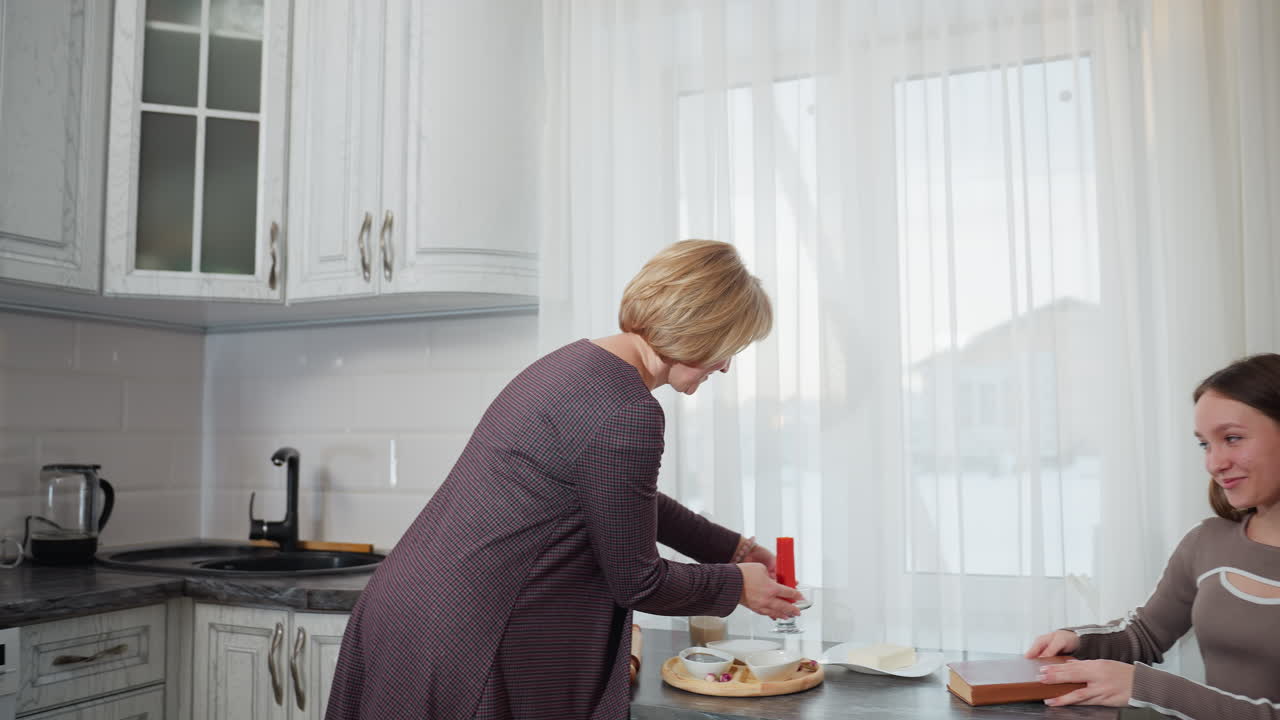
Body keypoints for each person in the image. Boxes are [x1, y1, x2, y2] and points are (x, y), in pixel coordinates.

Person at [325, 240, 803, 719]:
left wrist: (731, 548)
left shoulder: (575, 365)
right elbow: (638, 582)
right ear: (700, 326)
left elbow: (619, 499)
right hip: (470, 638)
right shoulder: (629, 411)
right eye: (727, 348)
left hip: (412, 610)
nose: (724, 366)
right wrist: (736, 585)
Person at [1027, 353, 1280, 718]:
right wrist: (1078, 640)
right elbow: (1144, 634)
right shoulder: (1207, 542)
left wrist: (1149, 688)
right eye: (1205, 444)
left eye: (1233, 438)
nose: (1214, 463)